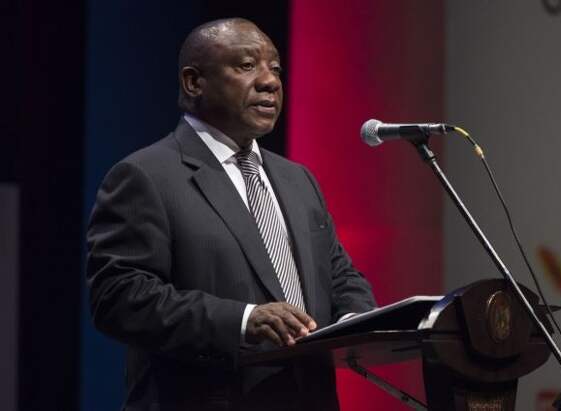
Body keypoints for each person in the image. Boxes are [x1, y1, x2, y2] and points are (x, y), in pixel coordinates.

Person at [86, 18, 376, 411]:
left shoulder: (298, 179)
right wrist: (242, 320)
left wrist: (356, 319)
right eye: (246, 66)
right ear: (194, 82)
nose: (269, 82)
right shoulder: (146, 176)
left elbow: (337, 273)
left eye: (275, 68)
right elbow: (120, 298)